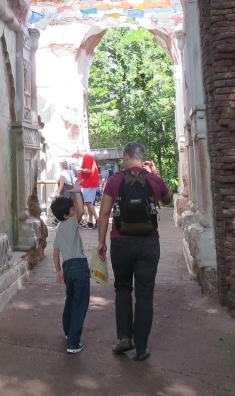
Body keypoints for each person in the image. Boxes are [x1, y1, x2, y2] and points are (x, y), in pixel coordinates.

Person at [96, 141, 173, 362]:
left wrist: (101, 242)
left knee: (122, 289)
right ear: (142, 158)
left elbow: (104, 214)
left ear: (127, 157)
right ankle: (141, 348)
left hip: (120, 243)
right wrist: (156, 175)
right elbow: (169, 199)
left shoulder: (114, 180)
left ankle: (124, 339)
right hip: (149, 243)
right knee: (144, 295)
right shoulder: (154, 179)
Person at [51, 188, 89, 354]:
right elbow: (82, 209)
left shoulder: (59, 227)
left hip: (67, 267)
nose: (76, 211)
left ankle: (68, 331)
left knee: (71, 300)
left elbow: (55, 252)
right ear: (67, 215)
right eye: (72, 209)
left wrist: (58, 270)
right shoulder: (71, 223)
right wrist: (78, 192)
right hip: (79, 266)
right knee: (81, 303)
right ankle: (73, 342)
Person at [73, 148, 100, 229]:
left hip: (89, 184)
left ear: (82, 150)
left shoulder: (87, 157)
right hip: (90, 183)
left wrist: (80, 169)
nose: (78, 153)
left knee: (88, 202)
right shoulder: (89, 157)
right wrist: (82, 180)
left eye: (78, 151)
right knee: (90, 202)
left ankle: (97, 219)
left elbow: (88, 170)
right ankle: (90, 222)